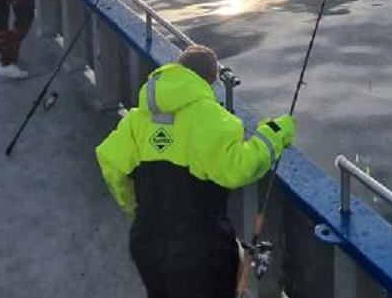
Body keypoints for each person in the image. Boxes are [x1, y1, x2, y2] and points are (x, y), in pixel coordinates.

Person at [96, 45, 296, 298]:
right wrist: (274, 133)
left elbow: (110, 163)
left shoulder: (136, 120)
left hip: (146, 242)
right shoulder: (211, 117)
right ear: (210, 80)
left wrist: (134, 207)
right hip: (201, 255)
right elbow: (238, 168)